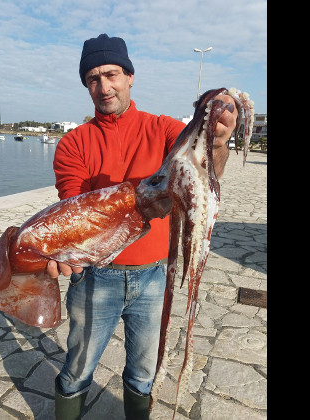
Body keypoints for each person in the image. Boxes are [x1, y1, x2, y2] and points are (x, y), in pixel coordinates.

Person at [46, 33, 237, 420]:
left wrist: (216, 141)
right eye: (93, 79)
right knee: (77, 369)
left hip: (154, 278)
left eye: (112, 74)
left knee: (143, 373)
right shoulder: (72, 144)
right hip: (96, 277)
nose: (104, 86)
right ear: (86, 86)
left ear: (130, 76)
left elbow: (203, 173)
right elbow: (75, 210)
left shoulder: (165, 129)